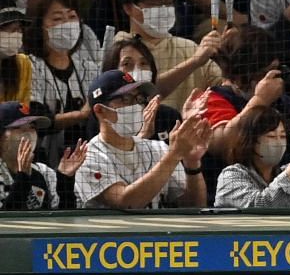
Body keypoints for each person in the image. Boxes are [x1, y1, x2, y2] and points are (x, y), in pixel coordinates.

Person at [75, 71, 211, 212]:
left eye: (137, 98)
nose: (135, 105)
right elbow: (125, 204)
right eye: (126, 99)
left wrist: (192, 163)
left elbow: (194, 206)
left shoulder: (159, 149)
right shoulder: (87, 157)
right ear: (100, 110)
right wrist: (174, 155)